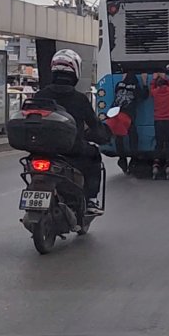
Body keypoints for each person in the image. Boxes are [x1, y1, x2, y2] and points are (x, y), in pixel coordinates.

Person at [34, 49, 109, 214]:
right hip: (72, 150)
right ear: (75, 73)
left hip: (41, 149)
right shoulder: (80, 99)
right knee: (94, 155)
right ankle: (91, 200)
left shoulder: (39, 95)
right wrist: (103, 136)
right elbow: (95, 125)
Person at [110, 72, 148, 173]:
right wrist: (144, 82)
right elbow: (144, 96)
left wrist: (123, 80)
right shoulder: (135, 87)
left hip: (116, 114)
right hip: (128, 115)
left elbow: (118, 90)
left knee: (119, 137)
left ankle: (122, 159)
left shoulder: (119, 85)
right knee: (133, 136)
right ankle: (133, 159)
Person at [149, 71, 169, 176]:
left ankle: (156, 165)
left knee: (159, 143)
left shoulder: (155, 92)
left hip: (158, 120)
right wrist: (166, 78)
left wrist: (153, 79)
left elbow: (151, 89)